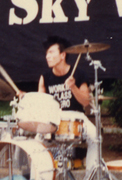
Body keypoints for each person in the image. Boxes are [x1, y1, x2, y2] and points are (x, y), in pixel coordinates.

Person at [36, 35, 99, 168]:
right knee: (36, 142)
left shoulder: (79, 74)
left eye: (51, 52)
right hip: (54, 119)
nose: (47, 56)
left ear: (63, 55)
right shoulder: (45, 77)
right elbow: (40, 105)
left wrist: (73, 87)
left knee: (95, 137)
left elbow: (85, 102)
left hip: (77, 117)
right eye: (46, 53)